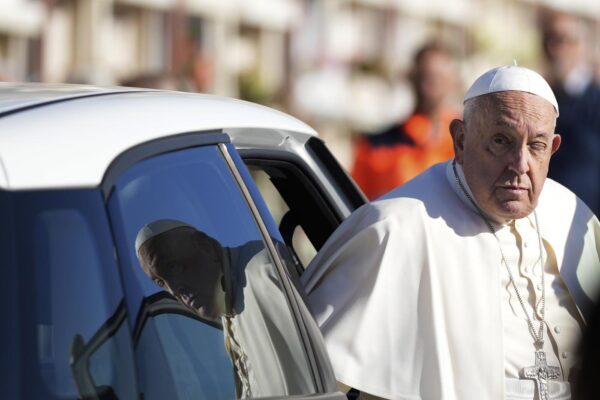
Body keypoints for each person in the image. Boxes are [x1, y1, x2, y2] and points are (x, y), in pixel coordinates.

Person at [301, 66, 600, 399]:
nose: (520, 163)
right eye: (501, 141)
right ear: (460, 140)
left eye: (536, 146)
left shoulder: (574, 219)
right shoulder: (396, 228)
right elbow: (313, 377)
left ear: (553, 148)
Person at [135, 220, 313, 398]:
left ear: (205, 246)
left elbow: (299, 387)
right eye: (161, 282)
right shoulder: (228, 304)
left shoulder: (260, 274)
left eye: (173, 267)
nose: (173, 290)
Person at [351, 42, 459, 200]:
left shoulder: (468, 145)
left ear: (453, 81)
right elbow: (352, 207)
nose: (430, 86)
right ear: (411, 77)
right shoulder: (373, 148)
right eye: (425, 76)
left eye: (438, 77)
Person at [541, 10, 600, 216]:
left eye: (563, 40)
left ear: (581, 46)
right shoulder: (539, 101)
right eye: (548, 40)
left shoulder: (595, 101)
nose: (554, 49)